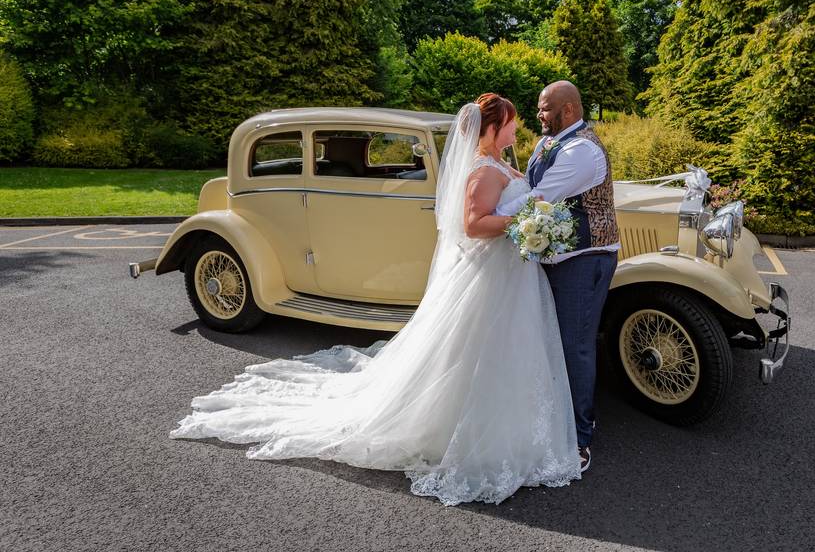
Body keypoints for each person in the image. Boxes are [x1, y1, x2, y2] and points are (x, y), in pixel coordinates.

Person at [170, 94, 581, 506]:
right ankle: (471, 430)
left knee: (504, 351)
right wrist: (524, 222)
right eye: (510, 122)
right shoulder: (483, 171)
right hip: (493, 272)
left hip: (506, 273)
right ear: (491, 128)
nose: (517, 126)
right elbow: (473, 224)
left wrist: (531, 218)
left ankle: (514, 424)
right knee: (479, 351)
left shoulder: (501, 163)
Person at [494, 81, 619, 473]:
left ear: (568, 111)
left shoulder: (582, 151)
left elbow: (539, 197)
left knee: (575, 345)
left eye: (545, 109)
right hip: (556, 258)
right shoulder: (550, 143)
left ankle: (581, 436)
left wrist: (490, 213)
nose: (539, 115)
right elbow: (530, 182)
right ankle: (558, 416)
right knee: (552, 340)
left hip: (586, 258)